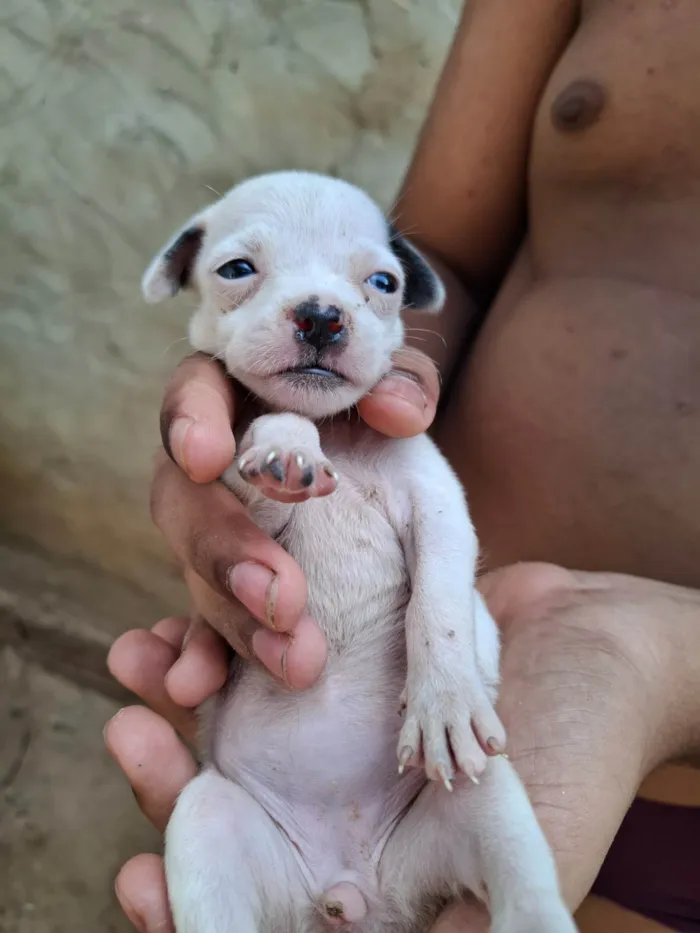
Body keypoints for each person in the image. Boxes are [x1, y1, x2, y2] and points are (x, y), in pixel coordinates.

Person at [105, 1, 700, 931]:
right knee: (203, 814)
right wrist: (256, 458)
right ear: (179, 274)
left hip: (465, 780)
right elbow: (450, 254)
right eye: (240, 272)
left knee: (496, 813)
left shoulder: (406, 466)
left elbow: (440, 531)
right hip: (287, 800)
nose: (318, 309)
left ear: (392, 304)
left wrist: (452, 670)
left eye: (372, 283)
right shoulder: (285, 433)